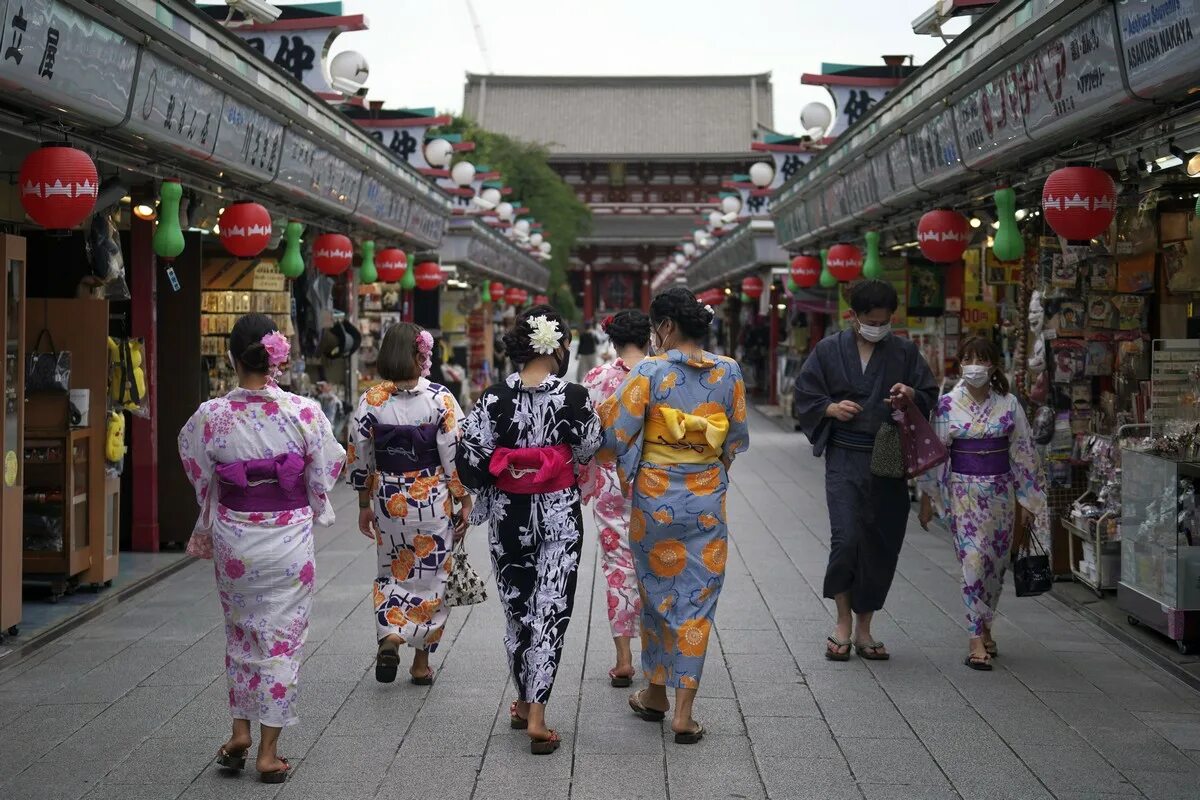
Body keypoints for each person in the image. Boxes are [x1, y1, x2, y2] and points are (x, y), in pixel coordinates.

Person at [178, 314, 345, 784]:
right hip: (289, 539)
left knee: (241, 634)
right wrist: (305, 494)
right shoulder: (304, 412)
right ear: (276, 359)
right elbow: (329, 466)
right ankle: (269, 753)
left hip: (237, 541)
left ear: (233, 358)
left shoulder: (211, 416)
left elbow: (195, 465)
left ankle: (239, 733)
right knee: (282, 640)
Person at [600, 287, 750, 745]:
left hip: (654, 499)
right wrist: (707, 471)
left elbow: (614, 434)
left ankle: (657, 694)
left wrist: (632, 468)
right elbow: (735, 440)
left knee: (656, 592)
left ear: (666, 326)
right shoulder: (729, 371)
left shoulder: (650, 370)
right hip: (705, 498)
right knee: (697, 600)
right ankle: (683, 711)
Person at [456, 305, 602, 755]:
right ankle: (536, 714)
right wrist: (553, 460)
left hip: (508, 514)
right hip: (559, 512)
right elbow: (592, 444)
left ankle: (523, 701)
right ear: (557, 347)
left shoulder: (492, 398)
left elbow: (471, 462)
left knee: (518, 607)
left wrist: (505, 468)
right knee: (551, 607)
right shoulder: (575, 396)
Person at [793, 280, 937, 662]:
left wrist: (910, 396)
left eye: (885, 320)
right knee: (847, 537)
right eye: (871, 320)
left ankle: (864, 626)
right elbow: (805, 395)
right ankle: (841, 620)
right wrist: (830, 409)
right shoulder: (827, 350)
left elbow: (928, 395)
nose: (879, 326)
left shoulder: (904, 352)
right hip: (845, 456)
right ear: (853, 316)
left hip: (888, 459)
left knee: (880, 540)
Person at [347, 323, 472, 686]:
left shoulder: (371, 400)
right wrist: (463, 497)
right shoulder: (439, 398)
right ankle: (420, 663)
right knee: (433, 576)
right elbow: (453, 453)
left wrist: (362, 501)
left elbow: (359, 454)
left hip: (389, 497)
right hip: (430, 495)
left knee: (392, 569)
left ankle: (390, 634)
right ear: (421, 355)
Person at [918, 337, 1047, 671]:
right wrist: (929, 497)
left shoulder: (1008, 404)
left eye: (981, 358)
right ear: (960, 363)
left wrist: (1029, 500)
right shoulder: (947, 405)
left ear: (993, 365)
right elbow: (935, 455)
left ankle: (986, 622)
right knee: (973, 561)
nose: (974, 365)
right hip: (964, 494)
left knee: (995, 564)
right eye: (968, 358)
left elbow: (1023, 450)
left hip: (1001, 494)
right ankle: (975, 637)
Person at [579, 311, 651, 688]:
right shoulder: (664, 375)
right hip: (660, 481)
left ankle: (623, 659)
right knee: (657, 564)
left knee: (618, 567)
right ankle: (659, 657)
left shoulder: (598, 378)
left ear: (612, 341)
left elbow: (586, 437)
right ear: (652, 336)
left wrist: (582, 477)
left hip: (612, 483)